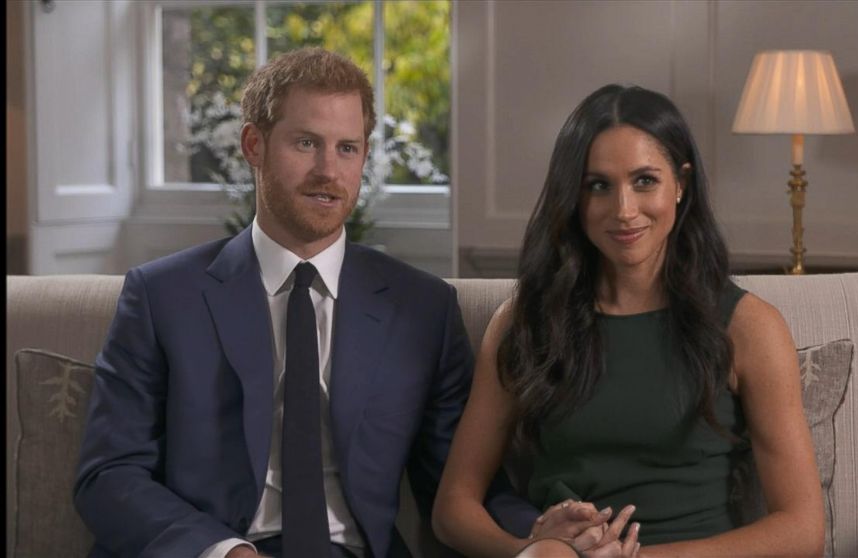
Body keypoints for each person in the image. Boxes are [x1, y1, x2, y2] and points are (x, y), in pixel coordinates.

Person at [73, 47, 537, 558]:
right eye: (306, 143)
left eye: (347, 148)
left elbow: (461, 484)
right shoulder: (162, 296)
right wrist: (222, 551)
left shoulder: (423, 308)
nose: (328, 171)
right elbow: (109, 474)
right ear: (254, 144)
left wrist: (542, 531)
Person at [433, 84, 825, 557]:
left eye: (644, 181)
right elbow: (453, 508)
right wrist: (530, 550)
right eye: (598, 185)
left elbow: (802, 528)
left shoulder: (748, 327)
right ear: (573, 198)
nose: (623, 210)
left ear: (681, 183)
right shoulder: (524, 323)